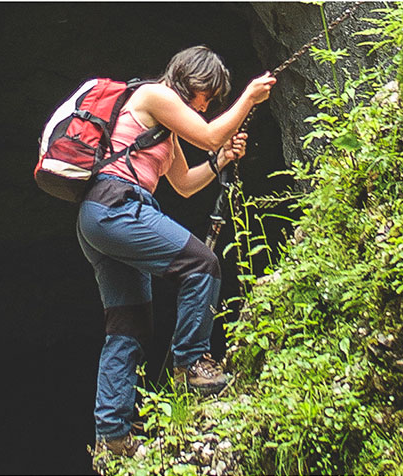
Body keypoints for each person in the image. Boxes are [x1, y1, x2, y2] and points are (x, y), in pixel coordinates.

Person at [78, 45, 275, 456]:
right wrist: (249, 97)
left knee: (127, 327)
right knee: (202, 265)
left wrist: (220, 160)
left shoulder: (161, 124)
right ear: (195, 82)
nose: (207, 105)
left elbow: (184, 183)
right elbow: (207, 134)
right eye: (209, 96)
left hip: (101, 218)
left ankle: (112, 438)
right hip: (118, 205)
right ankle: (190, 364)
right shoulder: (155, 94)